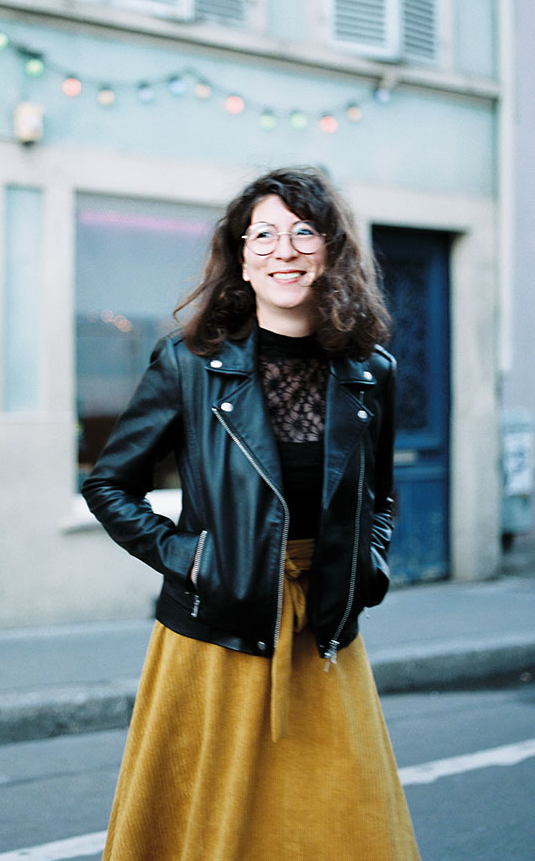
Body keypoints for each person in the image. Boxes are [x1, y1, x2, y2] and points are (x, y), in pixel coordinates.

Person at [82, 167, 419, 859]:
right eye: (262, 233)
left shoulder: (370, 370)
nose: (283, 250)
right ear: (240, 255)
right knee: (211, 830)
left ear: (330, 251)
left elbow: (380, 494)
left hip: (323, 628)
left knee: (341, 824)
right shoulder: (188, 363)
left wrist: (369, 564)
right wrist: (192, 560)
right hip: (217, 629)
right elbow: (109, 484)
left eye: (303, 231)